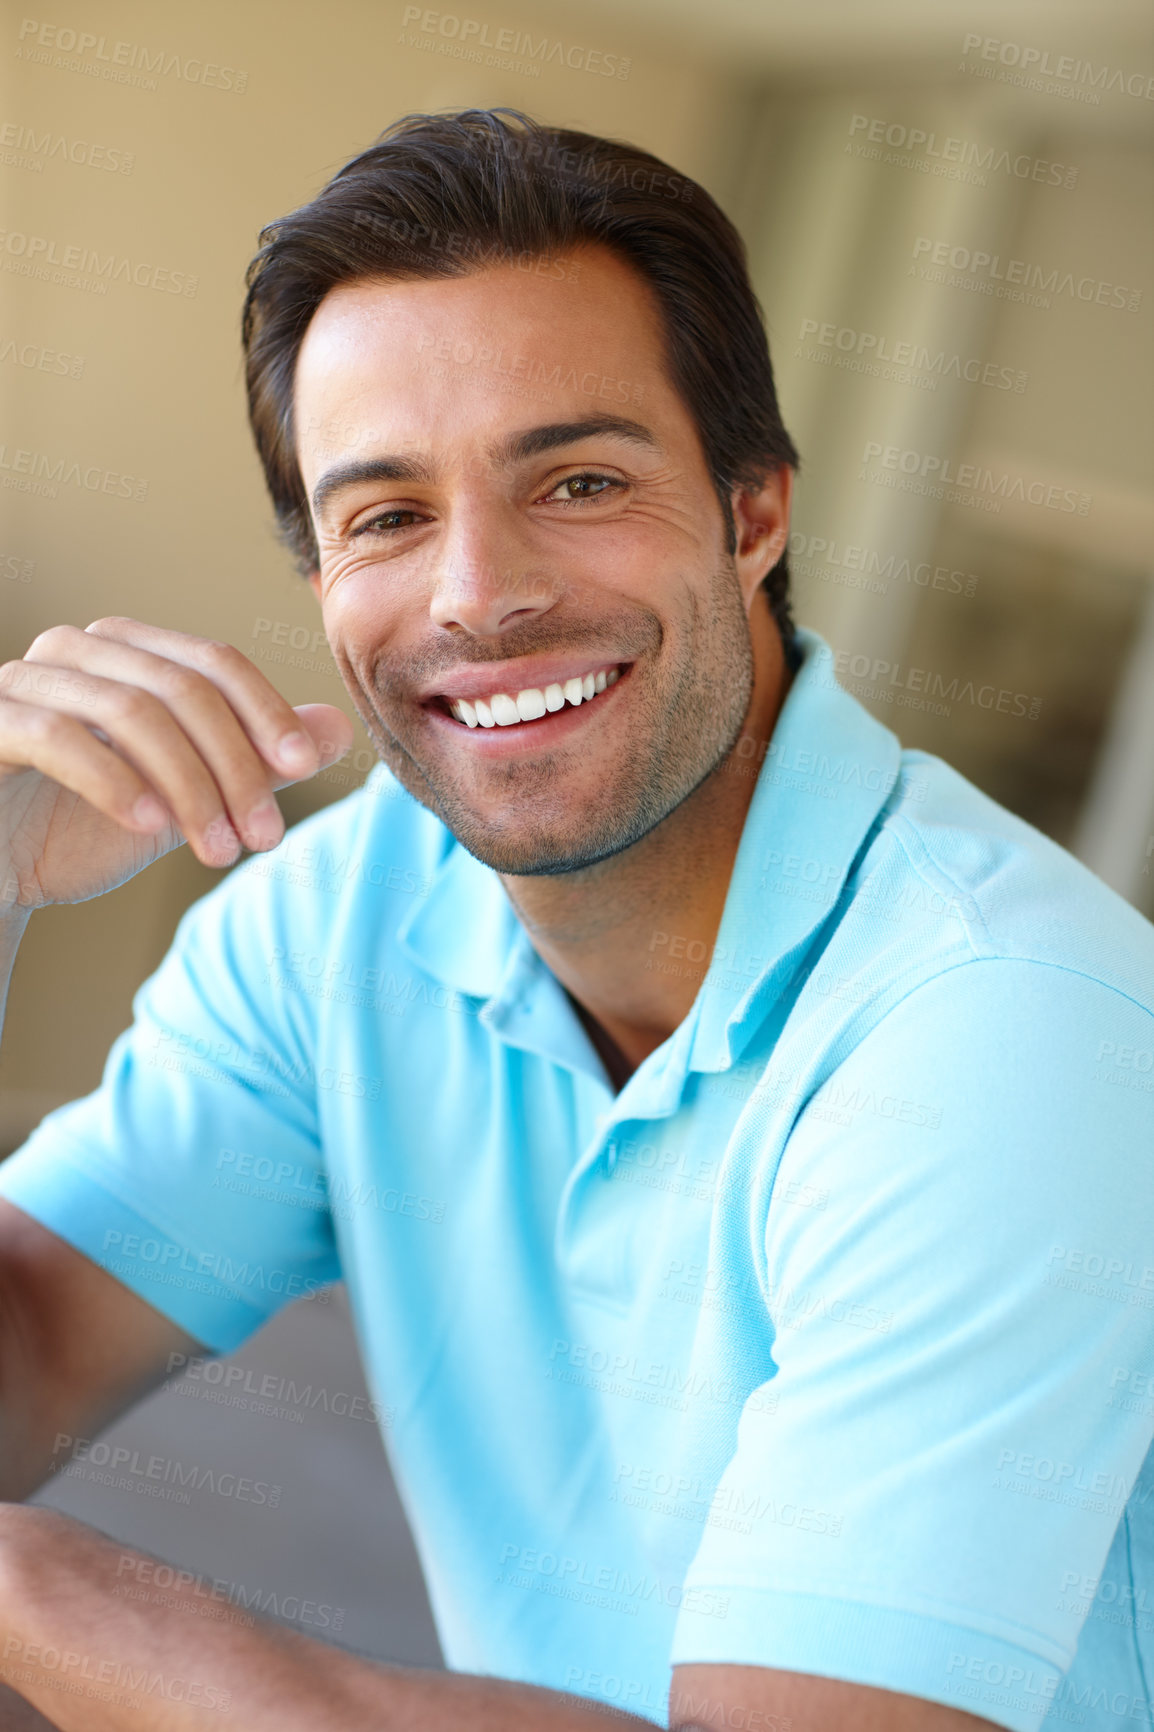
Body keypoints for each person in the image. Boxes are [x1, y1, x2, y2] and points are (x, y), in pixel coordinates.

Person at [0, 107, 1149, 1732]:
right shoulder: (339, 918)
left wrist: (34, 1591)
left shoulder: (1004, 1029)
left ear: (751, 514)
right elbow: (24, 1352)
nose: (476, 590)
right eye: (386, 515)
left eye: (580, 479)